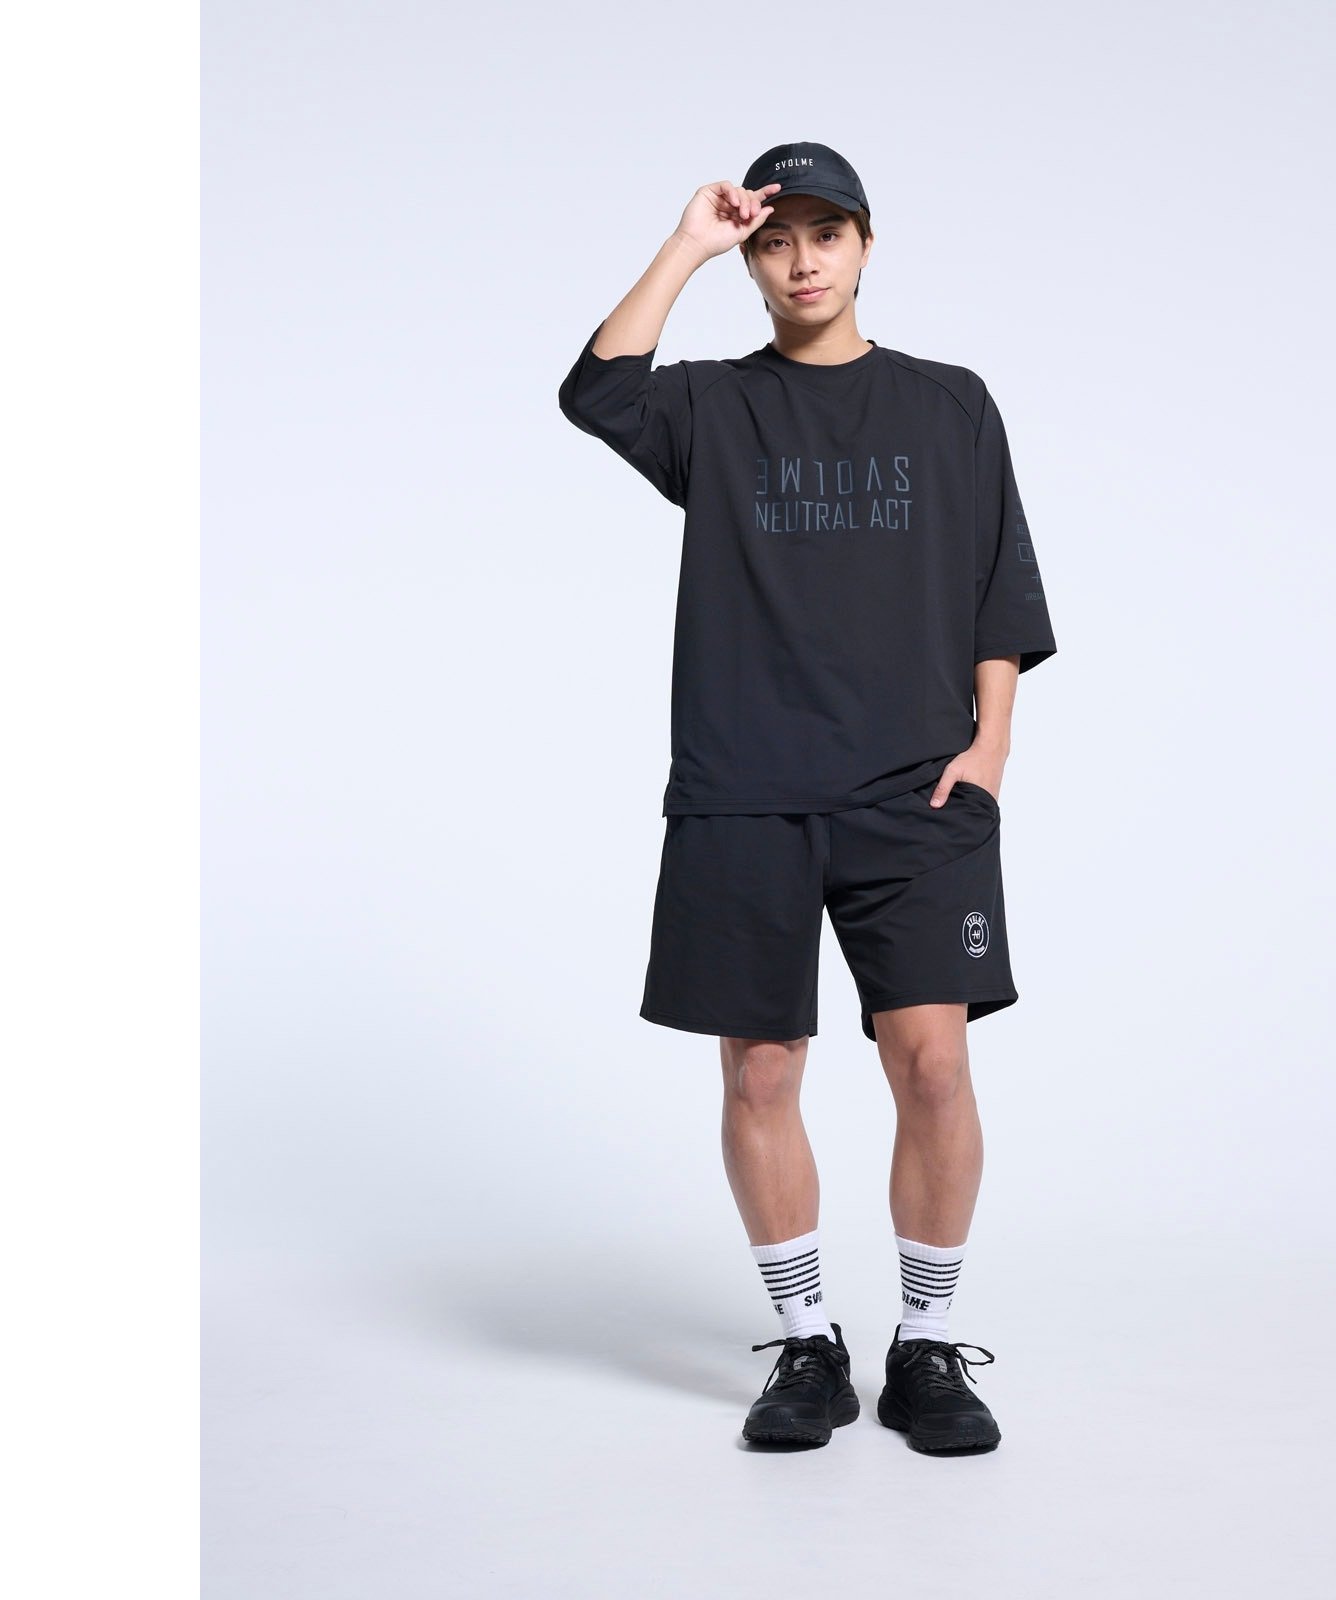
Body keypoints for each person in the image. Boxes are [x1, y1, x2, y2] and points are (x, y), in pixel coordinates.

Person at [557, 142, 1057, 1453]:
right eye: (776, 241)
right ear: (755, 261)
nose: (801, 262)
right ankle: (805, 1344)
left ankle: (927, 1344)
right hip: (745, 787)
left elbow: (998, 584)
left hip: (916, 792)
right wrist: (689, 242)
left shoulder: (951, 405)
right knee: (763, 1069)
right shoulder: (713, 408)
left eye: (824, 235)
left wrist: (992, 748)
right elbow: (596, 391)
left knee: (932, 1062)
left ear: (866, 246)